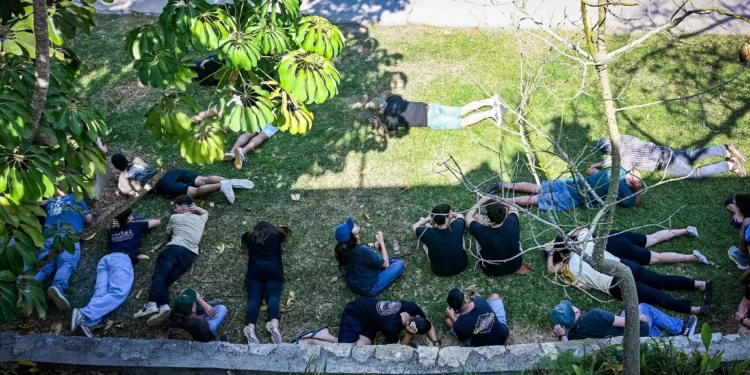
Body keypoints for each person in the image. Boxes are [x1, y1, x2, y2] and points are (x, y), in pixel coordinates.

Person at [545, 230, 712, 316]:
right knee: (661, 280)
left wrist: (550, 253)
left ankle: (696, 310)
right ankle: (701, 284)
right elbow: (578, 230)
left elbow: (585, 286)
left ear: (561, 254)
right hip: (623, 265)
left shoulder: (569, 270)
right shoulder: (585, 241)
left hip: (614, 285)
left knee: (656, 297)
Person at [70, 209, 161, 337]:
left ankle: (85, 322)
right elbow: (157, 222)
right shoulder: (135, 226)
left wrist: (122, 221)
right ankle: (85, 313)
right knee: (119, 292)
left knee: (100, 293)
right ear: (129, 217)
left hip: (106, 260)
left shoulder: (111, 231)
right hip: (121, 260)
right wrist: (134, 221)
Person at [133, 196, 209, 326]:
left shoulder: (175, 217)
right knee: (165, 281)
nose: (175, 209)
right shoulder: (200, 219)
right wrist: (196, 208)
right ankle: (164, 306)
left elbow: (169, 231)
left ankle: (151, 303)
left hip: (174, 249)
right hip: (189, 256)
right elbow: (206, 213)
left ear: (183, 207)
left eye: (177, 207)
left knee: (160, 275)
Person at [111, 153, 254, 203]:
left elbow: (135, 195)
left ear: (116, 168)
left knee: (193, 192)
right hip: (168, 172)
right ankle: (230, 181)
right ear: (126, 158)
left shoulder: (122, 183)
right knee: (202, 179)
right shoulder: (137, 159)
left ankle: (221, 186)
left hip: (161, 185)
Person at [589, 136, 746, 180]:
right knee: (691, 155)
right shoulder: (623, 138)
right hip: (663, 151)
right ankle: (725, 149)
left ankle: (730, 165)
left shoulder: (623, 159)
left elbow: (616, 168)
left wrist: (597, 165)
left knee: (694, 174)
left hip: (664, 163)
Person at [487, 168, 641, 212]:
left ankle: (501, 186)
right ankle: (501, 201)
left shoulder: (617, 169)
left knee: (537, 188)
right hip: (574, 197)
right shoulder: (623, 188)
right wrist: (638, 189)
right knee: (535, 200)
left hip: (569, 183)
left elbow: (592, 170)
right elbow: (633, 203)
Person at [36, 193, 93, 310]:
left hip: (48, 235)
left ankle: (30, 287)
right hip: (68, 233)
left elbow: (42, 203)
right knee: (67, 261)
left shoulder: (51, 201)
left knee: (44, 265)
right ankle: (58, 286)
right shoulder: (77, 197)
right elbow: (88, 219)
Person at [241, 221, 291, 345]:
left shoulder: (251, 237)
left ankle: (251, 328)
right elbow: (284, 229)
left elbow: (243, 236)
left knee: (254, 299)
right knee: (273, 298)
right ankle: (274, 325)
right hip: (274, 271)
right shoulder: (277, 235)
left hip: (255, 272)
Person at [551, 300, 698, 341]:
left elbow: (568, 348)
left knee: (629, 309)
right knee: (643, 308)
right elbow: (625, 322)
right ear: (575, 311)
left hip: (620, 340)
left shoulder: (573, 336)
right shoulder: (594, 314)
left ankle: (660, 332)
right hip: (637, 332)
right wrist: (640, 317)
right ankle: (682, 329)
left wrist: (562, 335)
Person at [365, 93, 504, 136]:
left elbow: (391, 133)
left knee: (462, 123)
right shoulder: (391, 99)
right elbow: (399, 97)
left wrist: (380, 124)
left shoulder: (390, 117)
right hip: (429, 107)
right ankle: (491, 100)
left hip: (430, 119)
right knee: (461, 110)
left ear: (378, 111)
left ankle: (492, 113)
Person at [189, 106, 281, 171]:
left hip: (266, 109)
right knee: (263, 135)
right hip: (280, 113)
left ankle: (232, 152)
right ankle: (243, 151)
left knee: (249, 132)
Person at [334, 218, 405, 297]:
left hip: (354, 283)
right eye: (352, 226)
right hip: (370, 288)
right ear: (351, 235)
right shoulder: (363, 250)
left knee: (390, 259)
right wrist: (381, 242)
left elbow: (357, 248)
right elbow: (386, 264)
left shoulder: (343, 248)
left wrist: (373, 245)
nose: (354, 224)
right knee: (399, 263)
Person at [465, 196, 527, 276]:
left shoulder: (481, 231)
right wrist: (500, 201)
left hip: (491, 270)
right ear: (504, 214)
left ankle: (481, 218)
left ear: (488, 217)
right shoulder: (512, 221)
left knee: (477, 219)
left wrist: (480, 202)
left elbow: (468, 217)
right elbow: (513, 208)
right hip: (515, 266)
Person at [590, 227, 714, 267]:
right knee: (652, 237)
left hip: (616, 246)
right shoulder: (574, 233)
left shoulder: (575, 249)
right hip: (613, 234)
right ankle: (686, 230)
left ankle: (693, 257)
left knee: (657, 257)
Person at [335, 298, 439, 346]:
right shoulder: (390, 327)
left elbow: (427, 322)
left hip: (371, 322)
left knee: (360, 349)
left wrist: (436, 341)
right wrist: (408, 335)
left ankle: (345, 340)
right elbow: (397, 349)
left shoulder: (411, 307)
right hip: (354, 314)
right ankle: (322, 335)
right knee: (346, 350)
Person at [411, 204, 468, 276]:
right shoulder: (457, 226)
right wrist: (454, 214)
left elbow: (415, 226)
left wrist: (429, 218)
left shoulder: (427, 233)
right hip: (462, 266)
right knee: (459, 235)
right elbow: (460, 216)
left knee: (426, 242)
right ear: (447, 219)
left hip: (440, 271)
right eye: (451, 212)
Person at [445, 288, 509, 346]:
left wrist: (452, 317)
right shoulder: (480, 300)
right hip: (503, 335)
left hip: (484, 347)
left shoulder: (458, 325)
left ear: (455, 310)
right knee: (494, 296)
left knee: (448, 321)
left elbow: (463, 338)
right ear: (465, 301)